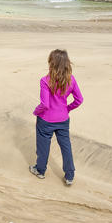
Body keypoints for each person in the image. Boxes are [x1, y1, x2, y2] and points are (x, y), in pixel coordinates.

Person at [30, 49, 83, 185]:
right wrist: (67, 109)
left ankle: (40, 170)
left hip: (46, 120)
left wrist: (36, 111)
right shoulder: (71, 80)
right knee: (66, 146)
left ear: (51, 63)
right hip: (63, 119)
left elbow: (45, 104)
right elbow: (79, 100)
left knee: (43, 145)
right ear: (67, 64)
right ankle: (70, 175)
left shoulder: (45, 81)